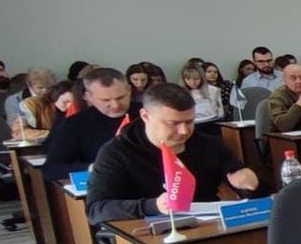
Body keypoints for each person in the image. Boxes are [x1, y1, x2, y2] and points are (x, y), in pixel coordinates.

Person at [86, 83, 260, 226]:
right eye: (173, 123)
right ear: (145, 116)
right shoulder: (116, 152)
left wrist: (247, 182)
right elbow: (96, 210)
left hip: (208, 225)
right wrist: (153, 206)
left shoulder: (207, 143)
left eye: (190, 121)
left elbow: (241, 180)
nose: (184, 131)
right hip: (147, 229)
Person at [43, 67, 132, 182]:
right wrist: (92, 168)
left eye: (120, 98)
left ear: (129, 90)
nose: (115, 105)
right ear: (88, 97)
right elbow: (51, 169)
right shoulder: (75, 124)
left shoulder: (147, 114)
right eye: (105, 100)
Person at [265, 63, 301, 132]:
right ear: (285, 80)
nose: (299, 81)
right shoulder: (277, 96)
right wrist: (299, 104)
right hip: (284, 136)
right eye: (293, 78)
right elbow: (283, 126)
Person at [12, 68, 58, 133]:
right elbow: (14, 128)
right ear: (30, 85)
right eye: (40, 87)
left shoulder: (56, 96)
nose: (45, 91)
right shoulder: (14, 100)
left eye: (49, 87)